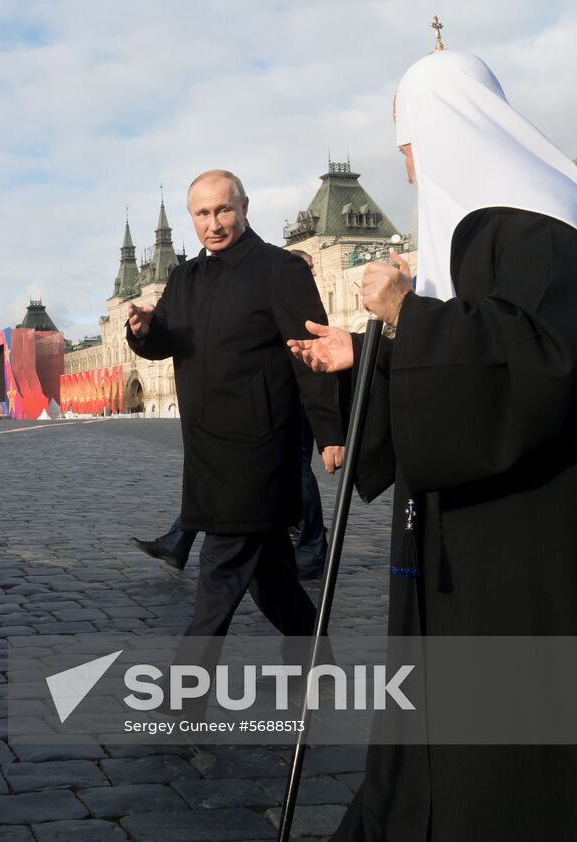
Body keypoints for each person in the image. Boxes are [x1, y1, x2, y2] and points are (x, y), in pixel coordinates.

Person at [286, 46, 577, 842]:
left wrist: (404, 317)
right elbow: (475, 343)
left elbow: (531, 360)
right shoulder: (498, 225)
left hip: (545, 533)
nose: (410, 170)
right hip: (502, 529)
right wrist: (373, 350)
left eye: (410, 145)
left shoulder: (538, 224)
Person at [126, 169, 345, 678]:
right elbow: (167, 343)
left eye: (223, 210)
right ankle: (316, 659)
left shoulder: (279, 268)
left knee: (220, 571)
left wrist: (330, 432)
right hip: (205, 446)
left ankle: (184, 693)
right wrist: (143, 331)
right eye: (203, 214)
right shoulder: (185, 277)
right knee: (269, 574)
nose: (214, 223)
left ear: (244, 206)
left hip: (261, 447)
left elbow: (310, 353)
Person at [286, 248, 329, 578]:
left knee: (297, 468)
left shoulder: (305, 304)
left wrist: (331, 434)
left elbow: (317, 364)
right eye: (307, 268)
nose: (312, 273)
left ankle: (314, 544)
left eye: (312, 268)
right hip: (287, 399)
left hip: (300, 401)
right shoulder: (289, 296)